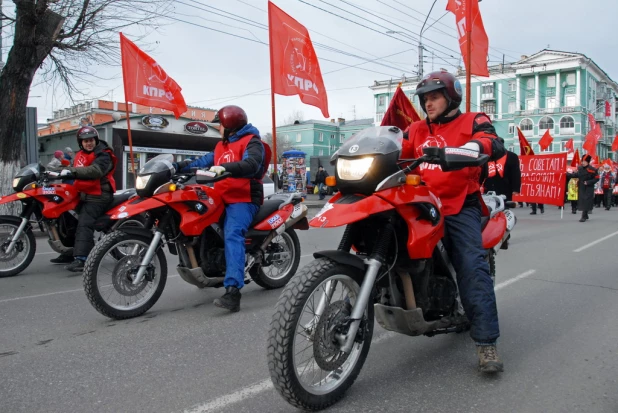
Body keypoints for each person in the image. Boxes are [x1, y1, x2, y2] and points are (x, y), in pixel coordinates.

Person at [402, 71, 506, 373]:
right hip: (421, 201)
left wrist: (473, 148)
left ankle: (486, 344)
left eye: (434, 96)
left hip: (460, 203)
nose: (428, 103)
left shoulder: (472, 120)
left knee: (472, 266)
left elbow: (491, 140)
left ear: (451, 97)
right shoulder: (415, 129)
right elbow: (398, 152)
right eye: (424, 98)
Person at [175, 105, 265, 313]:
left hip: (243, 198)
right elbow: (202, 162)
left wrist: (227, 168)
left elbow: (252, 164)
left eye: (220, 124)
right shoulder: (221, 146)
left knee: (233, 233)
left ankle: (233, 291)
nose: (218, 128)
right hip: (220, 197)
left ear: (230, 125)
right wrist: (176, 166)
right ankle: (208, 266)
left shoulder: (252, 142)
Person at [48, 127, 117, 271]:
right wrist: (53, 171)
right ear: (81, 143)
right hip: (83, 193)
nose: (89, 143)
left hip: (99, 195)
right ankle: (69, 252)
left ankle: (83, 258)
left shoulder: (104, 154)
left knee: (84, 222)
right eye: (85, 141)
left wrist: (70, 172)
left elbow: (95, 170)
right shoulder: (81, 154)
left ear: (96, 140)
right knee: (67, 217)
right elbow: (73, 168)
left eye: (91, 140)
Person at [567, 154, 599, 222]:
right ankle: (586, 214)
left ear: (588, 162)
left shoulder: (592, 169)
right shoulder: (580, 168)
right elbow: (576, 175)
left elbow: (596, 179)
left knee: (586, 201)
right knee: (582, 201)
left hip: (589, 187)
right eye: (582, 161)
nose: (582, 162)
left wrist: (588, 182)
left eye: (584, 161)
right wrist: (567, 174)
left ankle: (583, 216)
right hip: (581, 187)